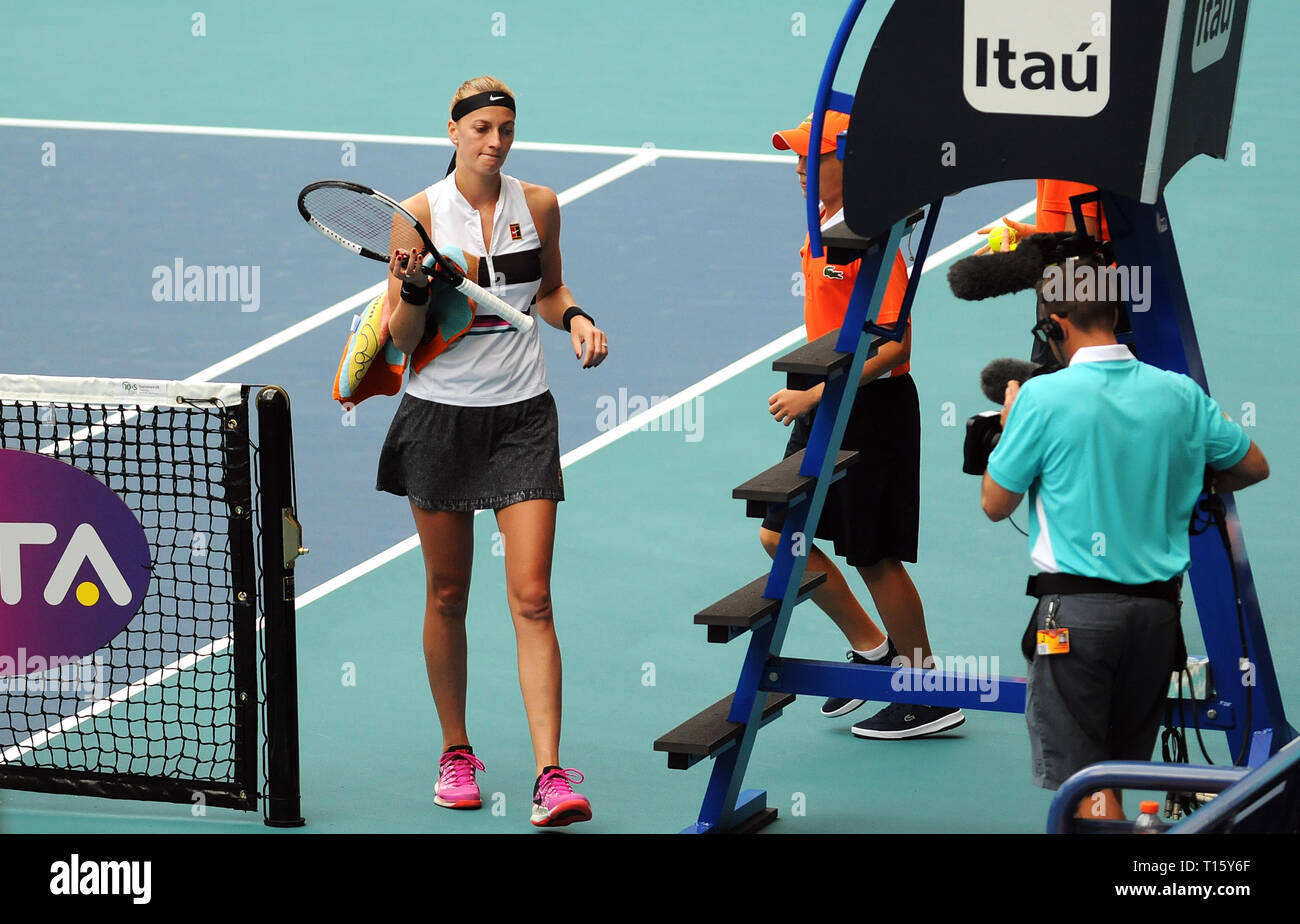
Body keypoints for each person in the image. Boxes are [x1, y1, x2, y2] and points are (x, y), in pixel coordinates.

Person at [377, 76, 609, 828]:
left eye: (505, 129)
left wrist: (574, 318)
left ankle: (551, 774)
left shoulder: (538, 204)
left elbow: (546, 289)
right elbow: (403, 341)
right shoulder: (415, 217)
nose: (494, 141)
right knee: (447, 594)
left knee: (533, 597)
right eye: (480, 128)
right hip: (439, 419)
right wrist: (416, 291)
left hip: (522, 419)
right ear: (452, 132)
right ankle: (456, 751)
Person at [981, 257, 1269, 819]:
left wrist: (1012, 423)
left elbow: (996, 503)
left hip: (1075, 619)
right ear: (1114, 311)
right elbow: (1251, 466)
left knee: (1086, 783)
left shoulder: (1042, 399)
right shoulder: (1179, 394)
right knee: (1112, 770)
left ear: (1054, 325)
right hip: (1157, 621)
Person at [763, 112, 965, 740]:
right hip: (831, 400)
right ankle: (872, 648)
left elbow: (897, 346)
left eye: (812, 157)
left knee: (874, 556)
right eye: (796, 158)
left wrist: (816, 392)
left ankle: (925, 689)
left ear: (847, 162)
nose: (799, 168)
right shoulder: (824, 225)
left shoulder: (869, 234)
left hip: (871, 408)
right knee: (782, 537)